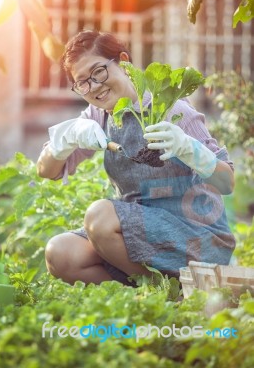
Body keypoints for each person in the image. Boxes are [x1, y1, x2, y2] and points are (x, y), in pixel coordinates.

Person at [37, 29, 236, 286]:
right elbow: (46, 171)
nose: (94, 86)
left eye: (99, 72)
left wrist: (189, 149)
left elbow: (226, 182)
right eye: (82, 82)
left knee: (100, 216)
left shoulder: (171, 108)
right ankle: (159, 289)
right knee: (61, 253)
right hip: (138, 237)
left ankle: (159, 291)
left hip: (195, 237)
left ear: (123, 61)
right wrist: (66, 140)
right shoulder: (99, 115)